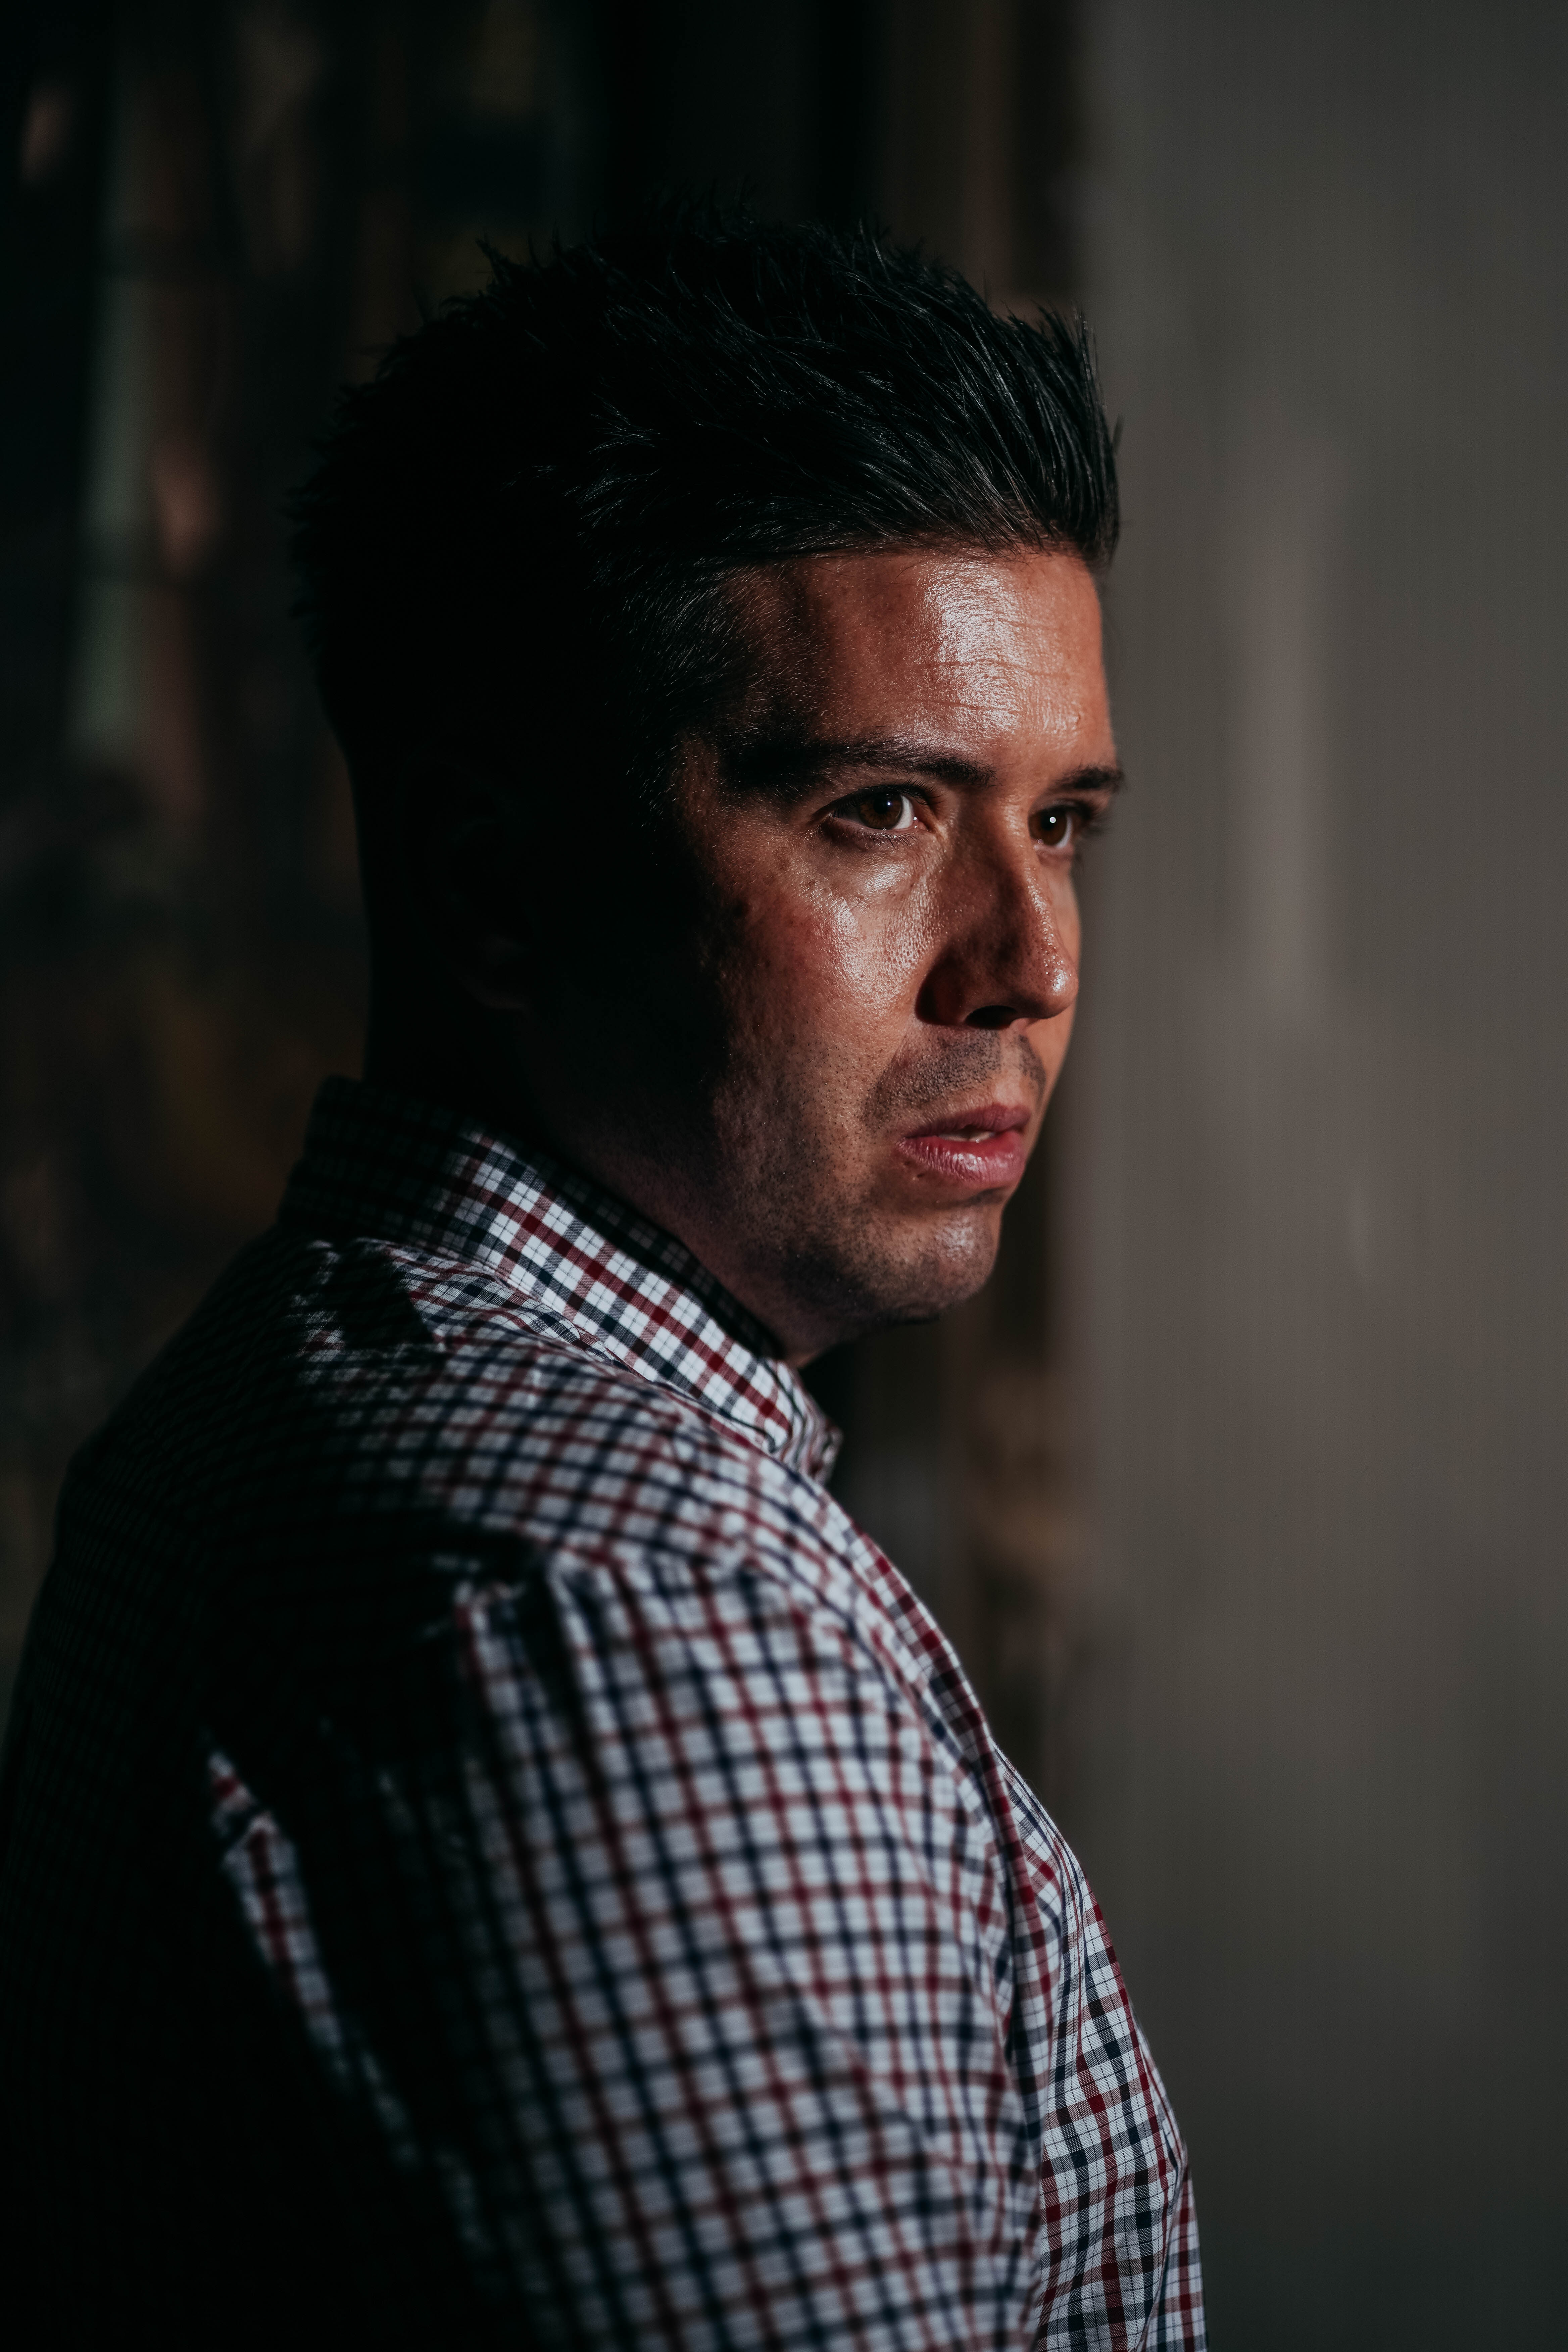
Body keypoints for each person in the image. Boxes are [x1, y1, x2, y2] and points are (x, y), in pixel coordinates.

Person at [0, 206, 1204, 2349]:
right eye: (881, 814)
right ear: (493, 884)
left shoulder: (317, 1393)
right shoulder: (615, 1609)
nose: (1028, 966)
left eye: (1067, 824)